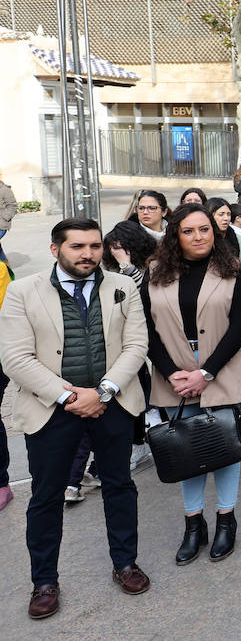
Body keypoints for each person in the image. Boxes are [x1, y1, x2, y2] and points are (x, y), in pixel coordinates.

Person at [0, 218, 151, 618]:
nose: (88, 254)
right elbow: (15, 358)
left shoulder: (122, 286)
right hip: (52, 410)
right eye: (77, 247)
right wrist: (70, 396)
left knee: (119, 485)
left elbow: (137, 345)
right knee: (47, 496)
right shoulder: (22, 291)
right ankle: (44, 582)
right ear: (56, 250)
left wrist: (102, 392)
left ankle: (125, 563)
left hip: (112, 404)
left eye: (95, 246)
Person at [142, 203, 241, 565]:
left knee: (223, 446)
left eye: (204, 229)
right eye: (188, 231)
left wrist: (206, 373)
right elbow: (145, 327)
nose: (198, 237)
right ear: (175, 234)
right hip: (173, 372)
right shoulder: (155, 271)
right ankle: (193, 525)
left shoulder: (232, 269)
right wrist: (171, 371)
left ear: (215, 231)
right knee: (185, 448)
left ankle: (226, 520)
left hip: (220, 368)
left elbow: (240, 325)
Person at [0, 169, 16, 263]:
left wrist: (4, 218)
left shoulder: (5, 190)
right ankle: (5, 265)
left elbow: (13, 206)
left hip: (1, 225)